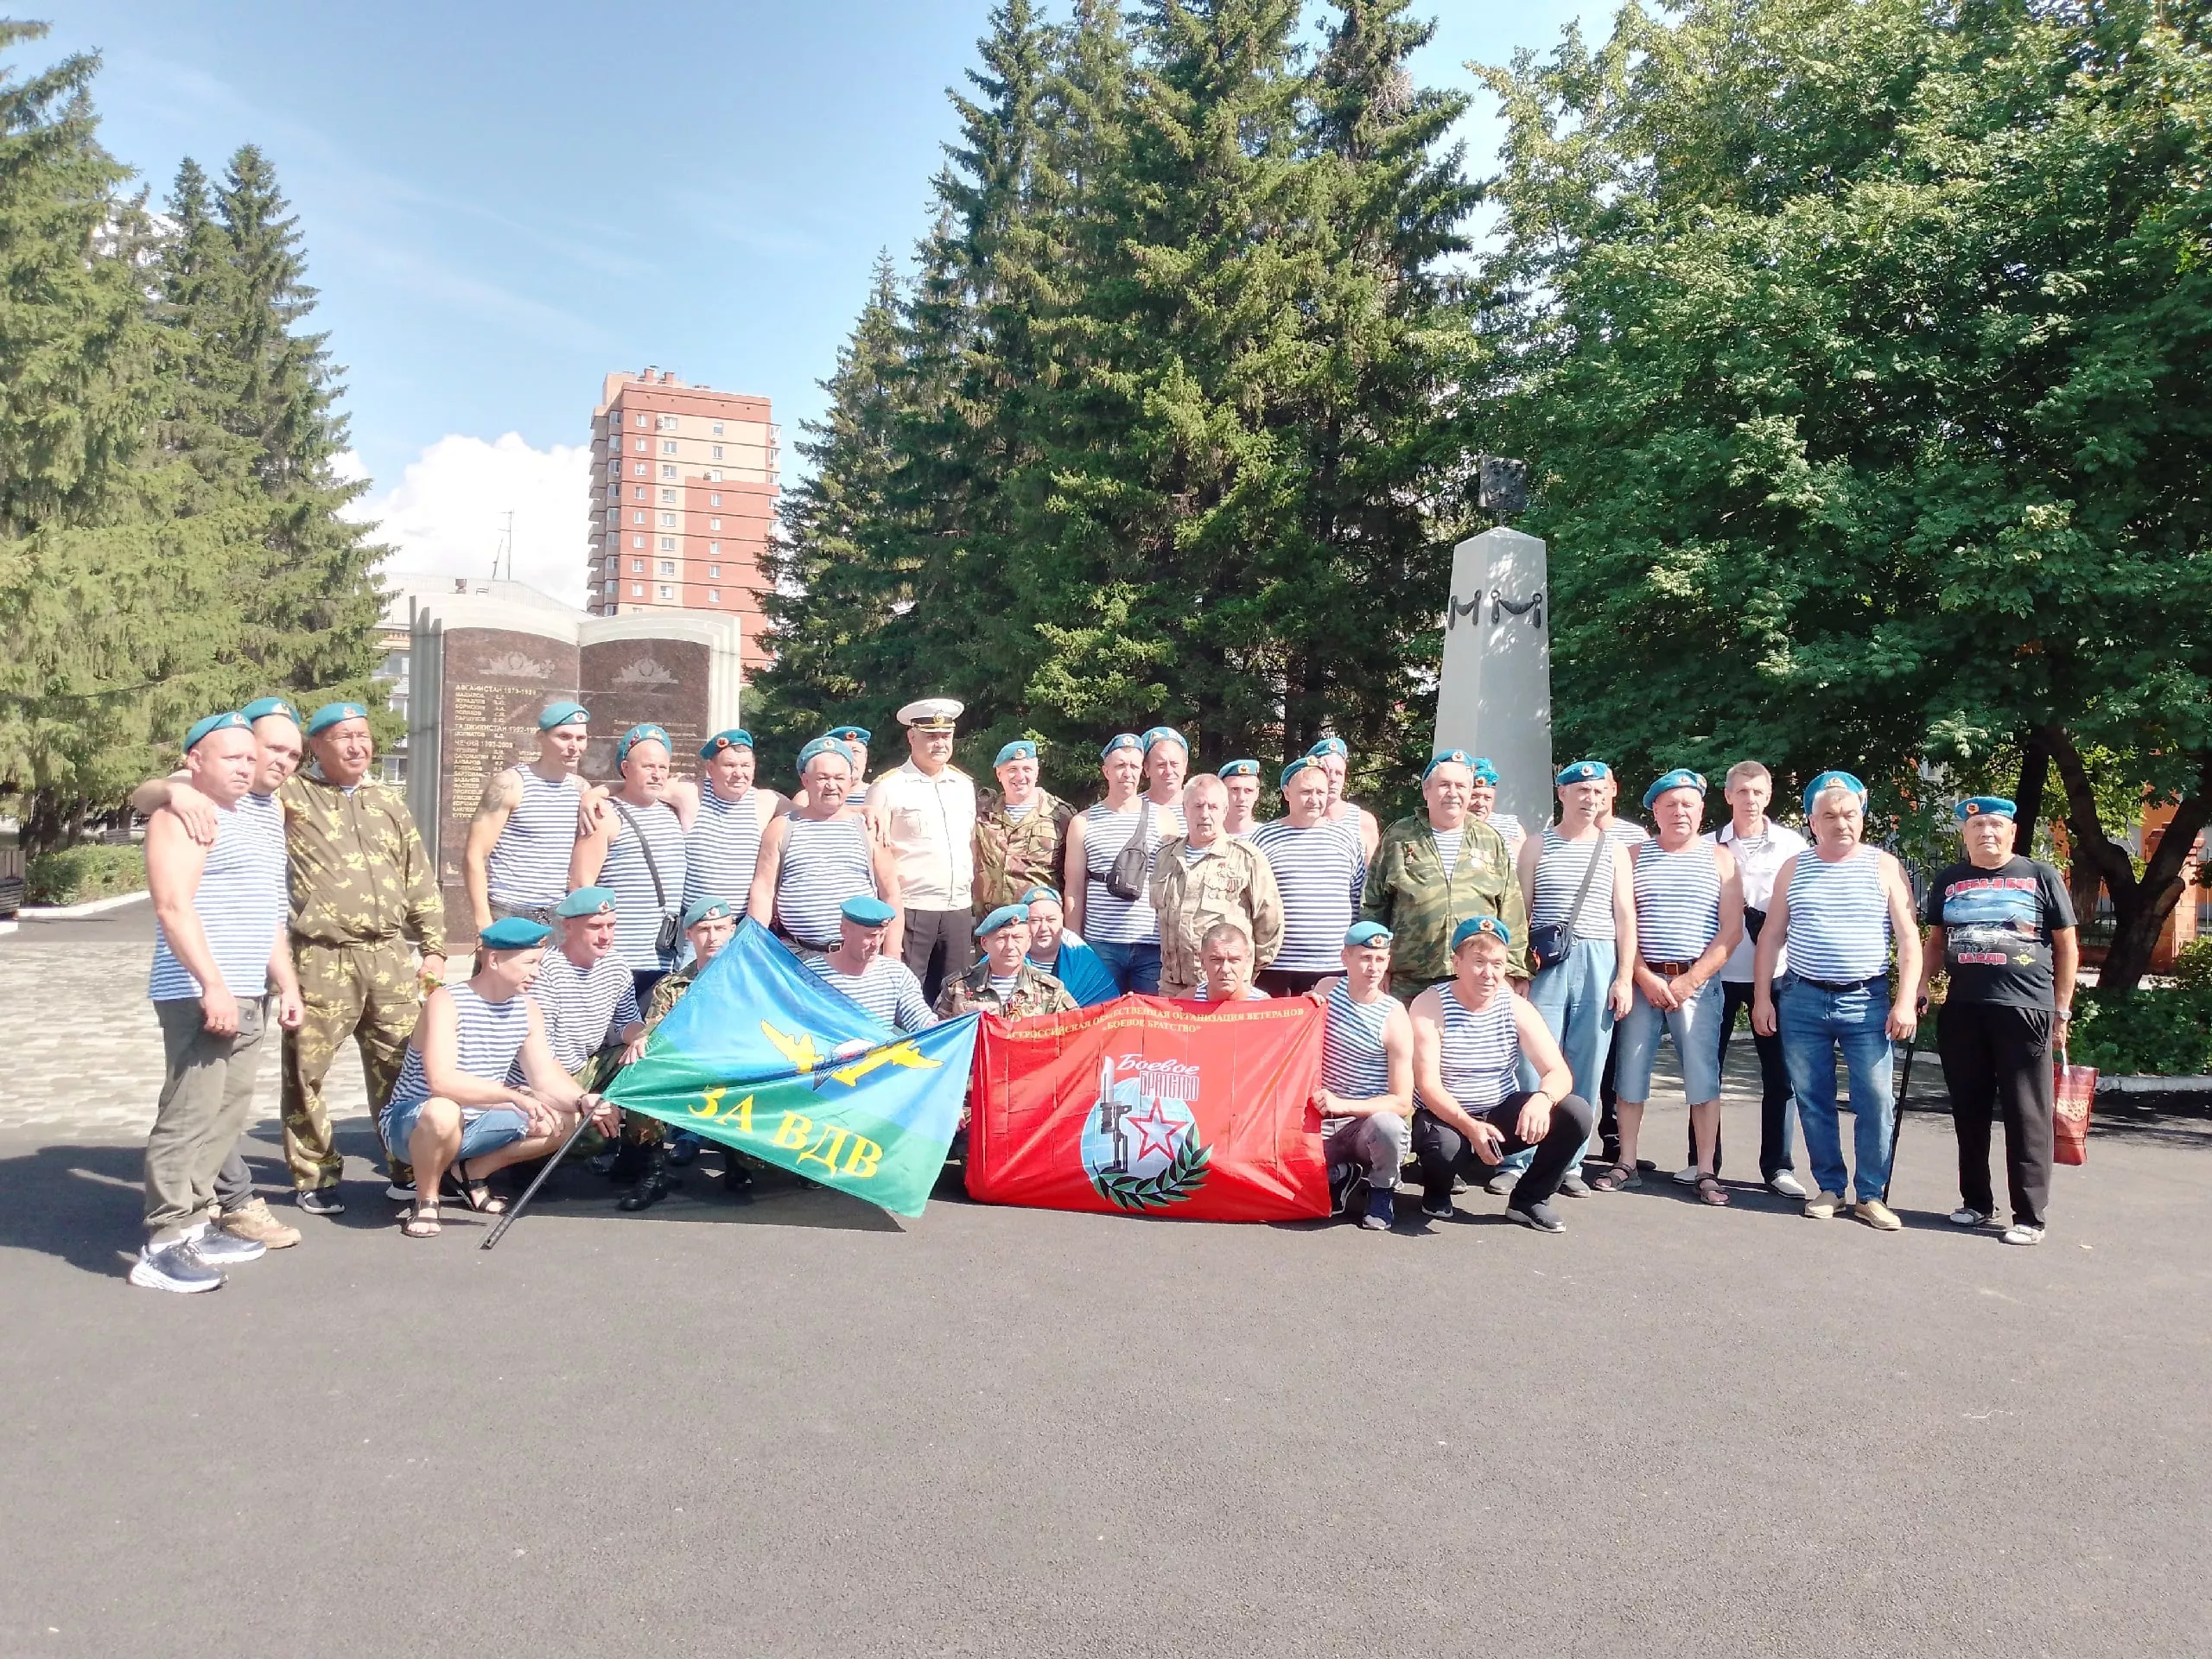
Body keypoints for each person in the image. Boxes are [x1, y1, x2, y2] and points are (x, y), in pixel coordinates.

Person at [132, 697, 448, 1219]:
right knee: (307, 1074)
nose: (357, 746)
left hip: (389, 955)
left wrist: (434, 948)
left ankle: (407, 1167)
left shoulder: (388, 801)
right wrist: (169, 789)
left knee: (401, 1064)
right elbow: (157, 792)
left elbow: (419, 876)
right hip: (321, 955)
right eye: (342, 737)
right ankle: (315, 1175)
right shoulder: (289, 795)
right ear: (317, 749)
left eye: (364, 736)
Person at [131, 713, 303, 1293]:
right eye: (232, 758)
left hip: (249, 990)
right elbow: (173, 907)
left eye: (250, 758)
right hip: (200, 991)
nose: (248, 767)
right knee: (187, 1113)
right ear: (194, 761)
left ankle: (199, 1224)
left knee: (224, 1114)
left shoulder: (260, 815)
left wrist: (288, 985)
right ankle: (162, 1245)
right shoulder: (180, 813)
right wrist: (212, 984)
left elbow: (268, 912)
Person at [1753, 771, 1923, 1230]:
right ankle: (1830, 1187)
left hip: (1866, 1001)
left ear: (1861, 818)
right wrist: (1761, 998)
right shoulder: (1795, 867)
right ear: (1812, 821)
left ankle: (1871, 1194)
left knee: (1875, 1098)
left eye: (1849, 814)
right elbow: (1771, 936)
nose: (1840, 823)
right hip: (1802, 999)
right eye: (1829, 815)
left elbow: (1909, 939)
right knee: (1813, 1099)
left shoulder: (1885, 867)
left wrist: (1905, 1000)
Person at [378, 918, 614, 1239]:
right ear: (493, 960)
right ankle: (427, 1199)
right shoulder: (446, 1001)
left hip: (478, 1120)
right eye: (529, 963)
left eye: (539, 963)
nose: (537, 972)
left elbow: (543, 1077)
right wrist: (514, 1096)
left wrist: (581, 1099)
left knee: (566, 1121)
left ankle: (472, 1173)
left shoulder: (528, 1010)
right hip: (414, 1122)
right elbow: (442, 1082)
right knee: (444, 1110)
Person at [1916, 796, 2076, 1247]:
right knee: (1969, 1110)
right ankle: (1976, 1202)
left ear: (2012, 832)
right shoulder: (1949, 880)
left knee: (2028, 1113)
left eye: (1995, 825)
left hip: (2026, 1009)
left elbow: (2066, 947)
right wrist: (1922, 985)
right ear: (1964, 834)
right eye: (1978, 826)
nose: (1986, 832)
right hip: (1965, 1009)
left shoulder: (2040, 876)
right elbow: (1934, 941)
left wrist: (2061, 1008)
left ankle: (2029, 1215)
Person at [1592, 770, 1744, 1207]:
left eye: (1688, 805)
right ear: (1654, 810)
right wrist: (1643, 976)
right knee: (1630, 1075)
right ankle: (1627, 1162)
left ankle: (1706, 1170)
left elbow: (1731, 932)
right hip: (1644, 983)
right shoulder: (1633, 855)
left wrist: (1690, 980)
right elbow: (1623, 924)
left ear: (1701, 810)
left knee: (1703, 1078)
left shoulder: (1722, 859)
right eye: (1670, 805)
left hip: (1698, 983)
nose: (1680, 812)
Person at [1408, 918, 1596, 1233]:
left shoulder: (1515, 1006)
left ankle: (1529, 1200)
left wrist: (1542, 1099)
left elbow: (1558, 1071)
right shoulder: (1430, 1004)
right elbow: (1428, 1086)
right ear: (1457, 962)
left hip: (1498, 1113)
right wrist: (1470, 1127)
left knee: (1575, 1112)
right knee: (1444, 1148)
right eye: (1478, 962)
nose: (1489, 973)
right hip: (1447, 1117)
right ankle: (1436, 1189)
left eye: (1497, 963)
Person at [1506, 760, 1635, 1197]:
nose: (1591, 799)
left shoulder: (1615, 849)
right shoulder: (1537, 845)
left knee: (1588, 1060)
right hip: (1547, 959)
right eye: (1582, 791)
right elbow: (1521, 911)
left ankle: (1571, 1163)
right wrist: (1517, 968)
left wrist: (1624, 978)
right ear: (1562, 793)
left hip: (1599, 958)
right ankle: (1519, 1158)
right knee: (1532, 1058)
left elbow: (1625, 917)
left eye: (1599, 792)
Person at [1698, 760, 1808, 1196]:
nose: (1750, 799)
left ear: (1769, 796)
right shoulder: (1707, 845)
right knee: (1708, 1071)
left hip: (1778, 973)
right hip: (1718, 974)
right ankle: (1704, 1162)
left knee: (1780, 1075)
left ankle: (1779, 1167)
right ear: (1728, 797)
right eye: (1742, 792)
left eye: (1758, 792)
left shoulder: (1791, 844)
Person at [1362, 750, 1529, 999]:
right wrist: (1376, 963)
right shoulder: (1399, 837)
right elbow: (1374, 903)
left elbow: (1511, 908)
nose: (1453, 793)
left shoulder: (1488, 839)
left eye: (1461, 786)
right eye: (1444, 785)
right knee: (1412, 1039)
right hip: (1409, 980)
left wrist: (1514, 970)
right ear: (1426, 791)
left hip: (1477, 978)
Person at [615, 896, 746, 1209]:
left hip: (740, 1078)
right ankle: (653, 1170)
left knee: (751, 1169)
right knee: (639, 1069)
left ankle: (741, 1163)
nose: (712, 937)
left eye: (720, 928)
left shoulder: (750, 982)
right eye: (703, 929)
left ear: (733, 930)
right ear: (689, 934)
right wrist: (642, 1040)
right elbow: (655, 1033)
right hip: (688, 1075)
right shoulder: (673, 987)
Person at [868, 696, 978, 1003]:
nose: (940, 743)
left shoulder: (963, 785)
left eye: (946, 736)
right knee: (906, 994)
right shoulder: (889, 787)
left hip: (957, 907)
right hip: (912, 908)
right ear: (912, 736)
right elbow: (877, 855)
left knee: (956, 996)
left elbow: (969, 843)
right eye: (931, 736)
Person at [571, 723, 689, 1001]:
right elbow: (580, 884)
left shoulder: (674, 812)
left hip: (667, 959)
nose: (657, 774)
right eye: (648, 766)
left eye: (663, 767)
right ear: (625, 768)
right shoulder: (605, 815)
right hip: (618, 960)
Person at [752, 737, 901, 952]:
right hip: (796, 957)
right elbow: (763, 892)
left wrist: (892, 955)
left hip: (858, 957)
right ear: (806, 781)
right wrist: (754, 947)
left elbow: (891, 894)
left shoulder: (868, 828)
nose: (832, 786)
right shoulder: (781, 828)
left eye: (839, 778)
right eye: (822, 778)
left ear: (850, 780)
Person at [1310, 921, 1412, 1232]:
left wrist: (1344, 1105)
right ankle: (1341, 1174)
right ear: (1346, 958)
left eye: (1381, 959)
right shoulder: (1326, 989)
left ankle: (1382, 1190)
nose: (1373, 968)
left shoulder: (1394, 1017)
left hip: (1361, 1125)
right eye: (1365, 958)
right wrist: (1303, 1007)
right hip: (1318, 1118)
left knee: (1389, 1126)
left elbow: (1401, 1101)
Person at [1064, 734, 1182, 995]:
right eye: (1119, 766)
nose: (1127, 773)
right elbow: (1073, 888)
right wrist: (1072, 943)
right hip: (1101, 944)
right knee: (1100, 1021)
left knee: (1150, 1025)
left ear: (1143, 770)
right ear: (1106, 770)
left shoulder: (1164, 819)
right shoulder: (1083, 823)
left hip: (1151, 944)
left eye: (1134, 766)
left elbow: (1173, 887)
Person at [464, 699, 592, 931]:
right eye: (564, 737)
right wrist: (484, 923)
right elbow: (475, 854)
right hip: (510, 910)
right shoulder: (510, 784)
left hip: (559, 914)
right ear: (540, 738)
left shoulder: (581, 789)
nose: (574, 746)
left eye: (581, 738)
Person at [1153, 774, 1283, 998]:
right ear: (1185, 809)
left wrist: (1245, 971)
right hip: (1173, 987)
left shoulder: (1246, 858)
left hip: (1224, 989)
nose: (1205, 814)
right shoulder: (1166, 857)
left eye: (1213, 807)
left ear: (1224, 811)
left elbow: (1269, 922)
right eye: (1198, 805)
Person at [1249, 757, 1366, 995]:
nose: (1314, 799)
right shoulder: (1263, 838)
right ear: (1287, 793)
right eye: (1305, 792)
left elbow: (1358, 900)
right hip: (1277, 966)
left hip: (1333, 967)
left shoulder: (1347, 839)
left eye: (1320, 792)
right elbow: (1249, 900)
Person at [659, 729, 788, 918]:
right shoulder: (691, 794)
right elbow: (638, 786)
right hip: (695, 928)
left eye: (746, 765)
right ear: (711, 769)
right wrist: (600, 794)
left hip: (739, 925)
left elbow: (808, 810)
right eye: (730, 765)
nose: (739, 773)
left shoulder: (767, 801)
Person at [528, 887, 644, 1090]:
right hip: (540, 1080)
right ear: (568, 927)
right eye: (595, 926)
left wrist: (642, 1038)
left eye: (611, 925)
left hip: (583, 1070)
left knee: (644, 1057)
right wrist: (582, 1099)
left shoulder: (616, 965)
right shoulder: (546, 970)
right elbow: (543, 1055)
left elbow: (627, 1022)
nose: (605, 936)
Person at [804, 894, 938, 1031]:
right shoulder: (810, 975)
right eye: (870, 936)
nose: (876, 944)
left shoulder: (897, 974)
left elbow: (919, 1018)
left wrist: (938, 1028)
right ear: (844, 931)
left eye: (882, 936)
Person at [973, 739, 1074, 915]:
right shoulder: (983, 811)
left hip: (1039, 924)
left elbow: (1075, 878)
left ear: (1036, 773)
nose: (1020, 777)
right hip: (992, 923)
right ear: (999, 774)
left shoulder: (1060, 814)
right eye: (1012, 770)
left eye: (1027, 769)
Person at [935, 903, 1079, 1019]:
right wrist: (966, 1018)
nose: (1010, 946)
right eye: (1002, 938)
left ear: (1028, 942)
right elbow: (936, 1036)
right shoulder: (957, 987)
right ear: (985, 943)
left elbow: (1076, 1033)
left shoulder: (1051, 990)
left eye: (1017, 938)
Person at [1020, 887, 1118, 1007]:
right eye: (1035, 920)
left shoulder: (1082, 957)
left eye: (1051, 920)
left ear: (1062, 920)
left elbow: (1108, 1011)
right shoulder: (1006, 956)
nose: (1044, 928)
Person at [1305, 736, 1382, 862]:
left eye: (1339, 773)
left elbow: (1374, 876)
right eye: (1327, 772)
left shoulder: (1363, 822)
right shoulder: (1301, 820)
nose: (1333, 779)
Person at [1196, 920, 1269, 1002]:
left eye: (1234, 960)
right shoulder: (1186, 1003)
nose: (1225, 969)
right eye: (1216, 960)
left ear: (1247, 961)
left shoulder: (1264, 1008)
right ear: (1202, 961)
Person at [1466, 758, 1524, 855]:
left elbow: (1524, 867)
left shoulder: (1511, 827)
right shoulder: (1450, 826)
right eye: (1474, 796)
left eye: (1487, 798)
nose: (1480, 803)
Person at [1219, 759, 1263, 839]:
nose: (1242, 798)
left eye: (1249, 790)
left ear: (1257, 794)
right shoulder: (1206, 836)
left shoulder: (1267, 837)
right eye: (1235, 789)